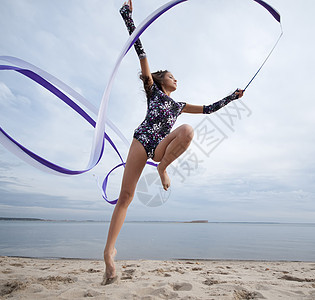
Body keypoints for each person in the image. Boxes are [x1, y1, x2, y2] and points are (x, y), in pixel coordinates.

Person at [102, 0, 244, 284]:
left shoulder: (178, 105)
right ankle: (108, 254)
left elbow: (210, 109)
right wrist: (127, 18)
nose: (175, 78)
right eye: (171, 75)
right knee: (126, 196)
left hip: (162, 147)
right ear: (160, 79)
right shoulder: (152, 90)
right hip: (143, 141)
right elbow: (140, 53)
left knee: (189, 130)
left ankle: (162, 168)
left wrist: (233, 96)